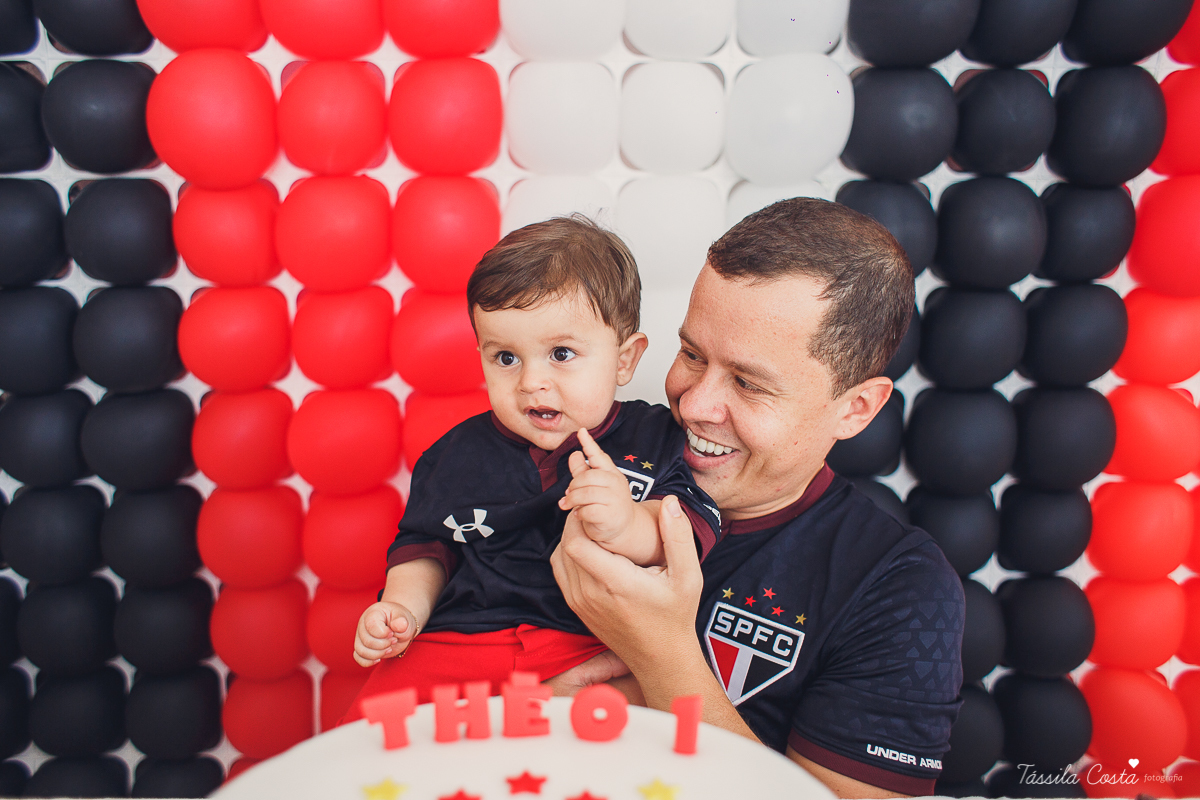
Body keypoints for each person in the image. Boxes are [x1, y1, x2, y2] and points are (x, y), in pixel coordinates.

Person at [548, 198, 965, 798]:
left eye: (748, 383)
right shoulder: (597, 446)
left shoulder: (899, 586)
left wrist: (662, 653)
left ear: (857, 408)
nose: (693, 404)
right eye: (692, 353)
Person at [341, 215, 721, 719]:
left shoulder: (655, 436)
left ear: (625, 360)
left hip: (590, 640)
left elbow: (691, 531)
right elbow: (425, 548)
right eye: (505, 358)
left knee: (648, 737)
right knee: (368, 733)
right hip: (460, 642)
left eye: (561, 354)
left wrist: (630, 524)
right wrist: (403, 610)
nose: (530, 381)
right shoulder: (452, 455)